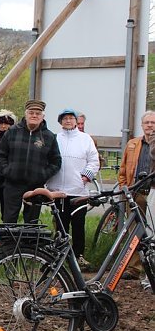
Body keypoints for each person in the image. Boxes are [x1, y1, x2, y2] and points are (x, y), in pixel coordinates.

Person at [46, 108, 100, 269]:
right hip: (58, 191)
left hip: (78, 191)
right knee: (61, 225)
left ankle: (78, 256)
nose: (68, 121)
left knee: (78, 225)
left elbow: (94, 161)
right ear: (60, 122)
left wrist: (85, 177)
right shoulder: (54, 139)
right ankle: (59, 256)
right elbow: (47, 160)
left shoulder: (85, 139)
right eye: (64, 119)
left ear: (77, 121)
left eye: (71, 118)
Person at [0, 99, 62, 224]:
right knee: (9, 221)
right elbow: (0, 156)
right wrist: (8, 171)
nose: (34, 115)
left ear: (42, 116)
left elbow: (56, 161)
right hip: (12, 185)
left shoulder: (49, 136)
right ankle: (10, 244)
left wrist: (42, 175)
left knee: (31, 223)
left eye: (38, 113)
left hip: (35, 188)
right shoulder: (12, 132)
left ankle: (29, 244)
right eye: (31, 112)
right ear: (26, 114)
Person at [118, 111, 155, 287]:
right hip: (136, 193)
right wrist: (124, 188)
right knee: (135, 231)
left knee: (152, 231)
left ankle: (150, 268)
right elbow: (123, 169)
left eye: (153, 122)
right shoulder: (133, 144)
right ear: (142, 125)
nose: (150, 125)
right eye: (147, 122)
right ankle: (134, 268)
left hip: (153, 191)